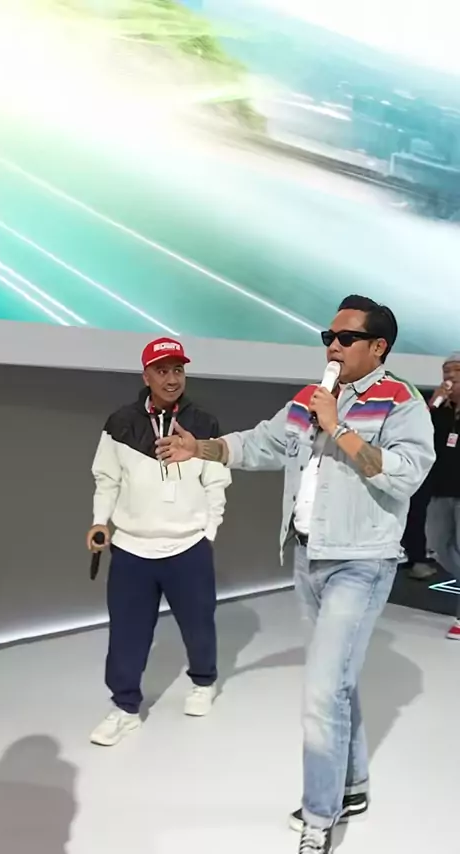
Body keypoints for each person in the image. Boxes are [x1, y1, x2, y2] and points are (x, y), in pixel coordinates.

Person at [157, 296, 435, 854]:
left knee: (320, 693)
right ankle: (352, 787)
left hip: (361, 560)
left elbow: (406, 474)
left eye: (346, 338)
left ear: (378, 347)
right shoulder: (310, 398)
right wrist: (201, 448)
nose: (333, 346)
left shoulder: (401, 401)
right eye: (328, 336)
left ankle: (318, 815)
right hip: (308, 558)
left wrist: (340, 428)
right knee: (338, 685)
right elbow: (262, 443)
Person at [87, 337, 231, 747]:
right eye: (162, 371)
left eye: (178, 370)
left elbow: (216, 483)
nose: (172, 379)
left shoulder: (203, 422)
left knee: (199, 625)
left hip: (188, 547)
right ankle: (124, 708)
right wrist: (99, 522)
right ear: (146, 376)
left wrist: (208, 532)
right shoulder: (120, 422)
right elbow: (107, 479)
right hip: (132, 549)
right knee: (127, 633)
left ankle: (203, 682)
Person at [426, 352, 460, 639]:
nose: (449, 376)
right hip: (441, 489)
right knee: (438, 545)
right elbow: (418, 436)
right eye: (445, 371)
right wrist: (431, 406)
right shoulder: (440, 410)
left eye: (456, 371)